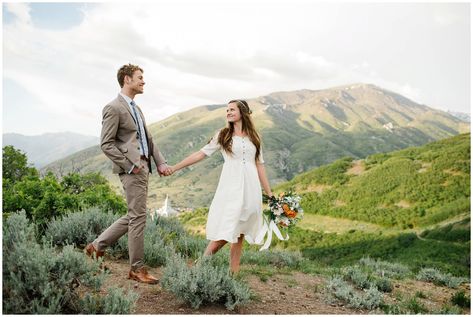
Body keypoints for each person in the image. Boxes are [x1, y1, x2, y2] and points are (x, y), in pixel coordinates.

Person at [85, 63, 171, 284]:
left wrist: (159, 162)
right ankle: (136, 269)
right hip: (132, 169)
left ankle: (97, 246)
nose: (144, 81)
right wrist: (130, 166)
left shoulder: (136, 108)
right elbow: (106, 144)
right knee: (138, 218)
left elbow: (148, 139)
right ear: (126, 79)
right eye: (140, 77)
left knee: (135, 215)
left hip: (144, 167)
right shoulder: (113, 108)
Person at [169, 99, 273, 273]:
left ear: (243, 112)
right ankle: (200, 264)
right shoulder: (223, 135)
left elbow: (260, 165)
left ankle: (234, 273)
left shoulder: (255, 137)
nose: (228, 113)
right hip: (231, 186)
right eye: (227, 110)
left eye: (232, 110)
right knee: (229, 226)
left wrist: (269, 193)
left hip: (251, 187)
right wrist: (175, 167)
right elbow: (200, 154)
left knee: (240, 231)